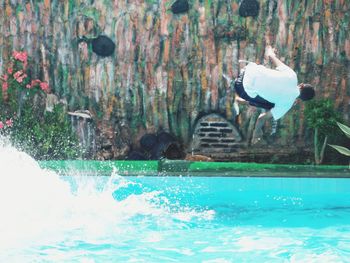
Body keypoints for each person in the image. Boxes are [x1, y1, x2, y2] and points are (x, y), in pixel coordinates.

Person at [234, 45, 315, 144]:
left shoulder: (292, 75)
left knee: (272, 95)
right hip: (241, 89)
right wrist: (257, 131)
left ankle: (243, 101)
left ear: (301, 85)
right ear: (301, 99)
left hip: (246, 70)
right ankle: (242, 101)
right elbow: (261, 118)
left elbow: (271, 56)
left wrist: (269, 49)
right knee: (272, 105)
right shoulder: (286, 105)